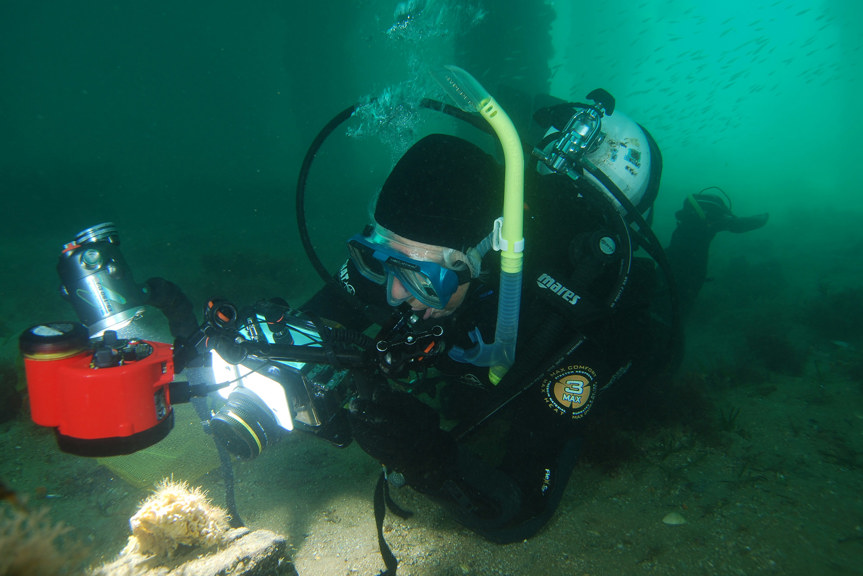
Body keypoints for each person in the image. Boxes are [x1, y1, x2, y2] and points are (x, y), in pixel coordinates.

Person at [298, 92, 769, 546]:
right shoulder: (407, 247)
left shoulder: (565, 324)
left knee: (674, 305)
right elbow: (308, 325)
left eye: (424, 277)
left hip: (629, 343)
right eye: (378, 260)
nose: (394, 292)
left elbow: (519, 509)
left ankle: (697, 226)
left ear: (483, 255)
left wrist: (426, 459)